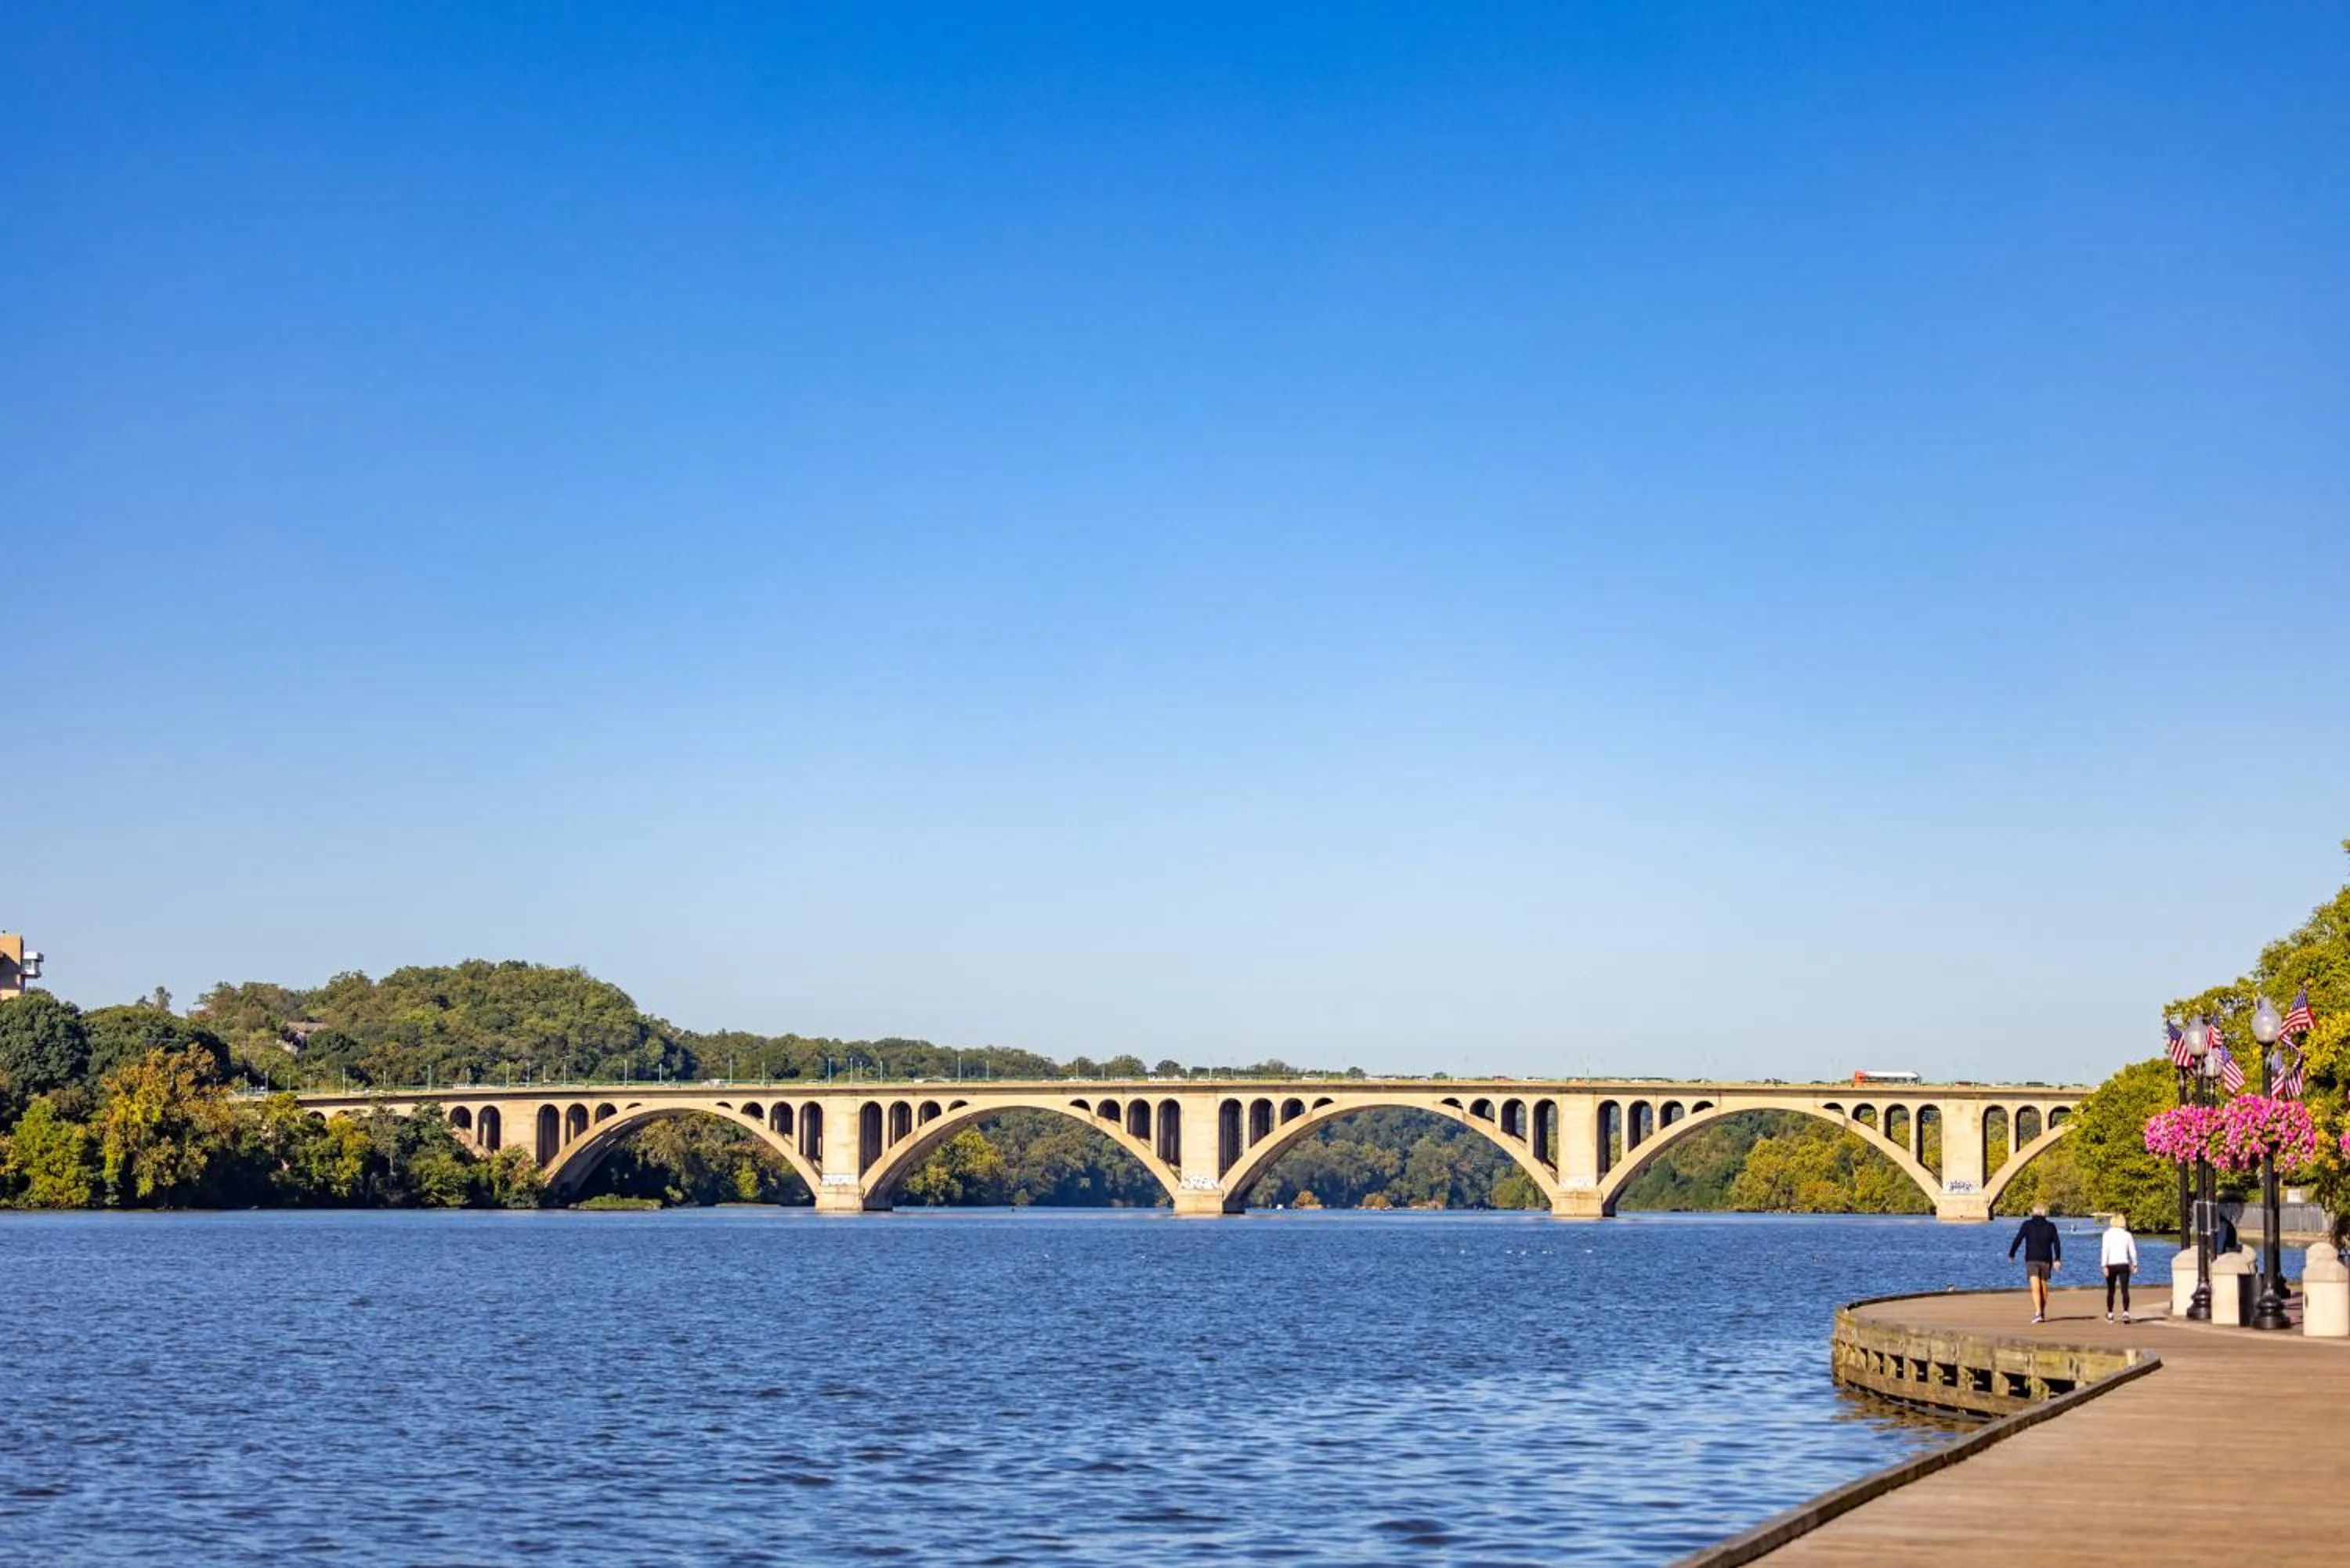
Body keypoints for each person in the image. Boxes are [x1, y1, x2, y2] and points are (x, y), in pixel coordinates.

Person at [2008, 1202, 2062, 1322]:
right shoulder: (2051, 1226)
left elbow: (2018, 1239)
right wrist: (2057, 1259)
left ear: (2033, 1212)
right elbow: (2057, 1243)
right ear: (2044, 1213)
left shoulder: (2027, 1225)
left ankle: (2038, 1313)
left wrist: (2012, 1253)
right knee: (2043, 1285)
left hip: (2032, 1258)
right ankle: (2041, 1311)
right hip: (2046, 1259)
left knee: (2035, 1286)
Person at [2100, 1214, 2139, 1322]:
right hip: (2124, 1264)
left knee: (2111, 1290)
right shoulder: (2127, 1235)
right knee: (2125, 1290)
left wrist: (2103, 1265)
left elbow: (2105, 1250)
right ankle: (2126, 1313)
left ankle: (2110, 1314)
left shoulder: (2107, 1235)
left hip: (2111, 1264)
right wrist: (2135, 1264)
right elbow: (2132, 1251)